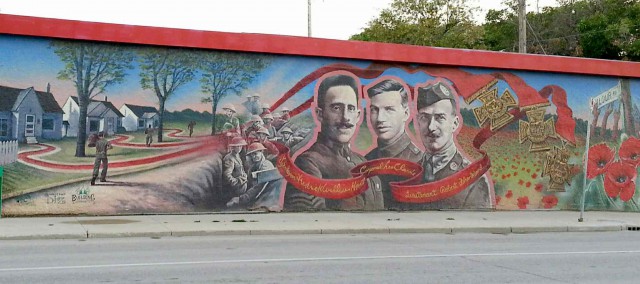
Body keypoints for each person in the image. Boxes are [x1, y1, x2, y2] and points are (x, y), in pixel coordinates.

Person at [284, 73, 383, 211]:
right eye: (336, 108)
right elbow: (310, 222)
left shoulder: (363, 163)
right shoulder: (307, 163)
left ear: (358, 116)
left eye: (351, 108)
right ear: (319, 114)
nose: (345, 118)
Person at [414, 81, 491, 209]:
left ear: (454, 124)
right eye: (424, 117)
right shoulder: (411, 173)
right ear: (417, 122)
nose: (431, 127)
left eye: (440, 117)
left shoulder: (473, 179)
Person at [364, 79, 422, 209]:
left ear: (406, 113)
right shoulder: (366, 160)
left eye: (389, 109)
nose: (380, 118)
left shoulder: (419, 162)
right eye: (374, 110)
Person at [226, 142, 282, 210]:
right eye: (252, 155)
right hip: (254, 196)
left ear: (261, 152)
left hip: (265, 197)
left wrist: (241, 199)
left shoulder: (266, 165)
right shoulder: (253, 166)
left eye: (255, 154)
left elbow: (259, 187)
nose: (253, 157)